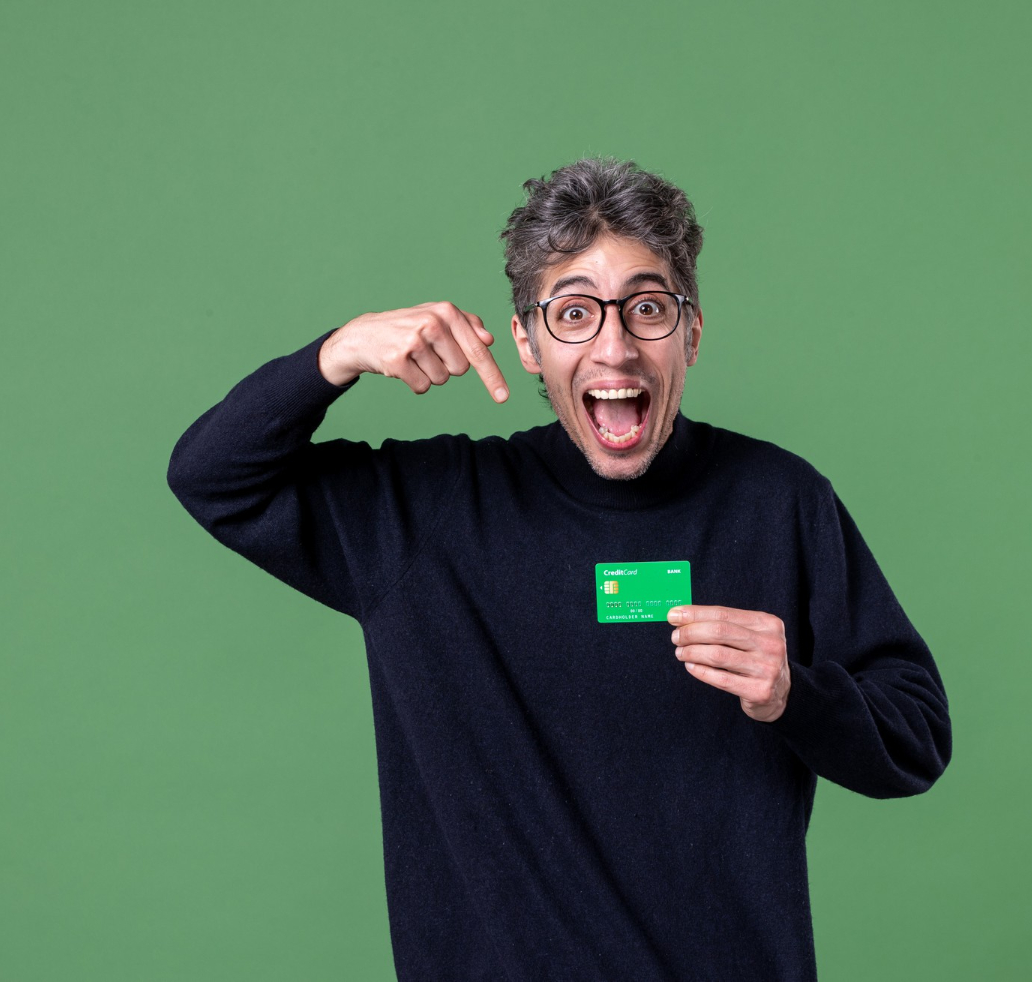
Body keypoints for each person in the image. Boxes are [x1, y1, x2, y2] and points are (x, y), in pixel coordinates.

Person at [167, 157, 952, 981]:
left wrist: (796, 691)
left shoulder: (778, 501)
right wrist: (334, 355)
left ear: (691, 330)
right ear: (527, 342)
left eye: (647, 308)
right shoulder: (427, 518)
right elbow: (212, 476)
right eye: (574, 313)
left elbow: (915, 739)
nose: (614, 348)